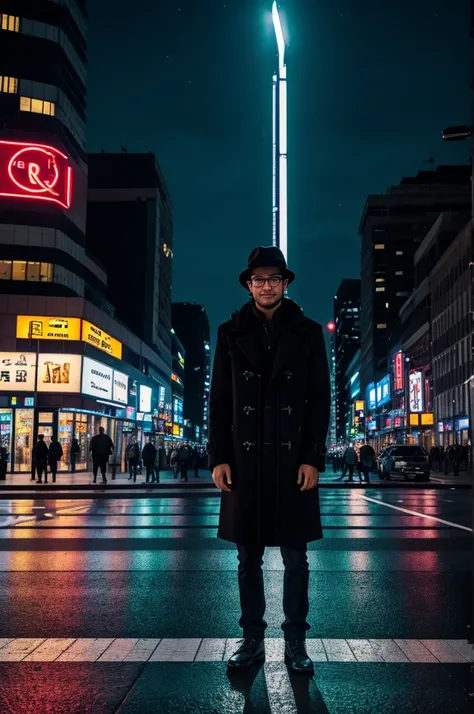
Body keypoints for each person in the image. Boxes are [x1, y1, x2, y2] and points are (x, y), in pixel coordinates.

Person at [208, 246, 330, 674]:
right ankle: (252, 639)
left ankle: (295, 641)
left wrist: (313, 456)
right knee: (248, 559)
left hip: (293, 460)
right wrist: (218, 457)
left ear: (285, 283)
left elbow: (320, 399)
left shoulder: (308, 331)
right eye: (258, 279)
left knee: (296, 558)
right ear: (248, 284)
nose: (265, 286)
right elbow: (219, 400)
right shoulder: (230, 332)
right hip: (245, 462)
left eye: (273, 279)